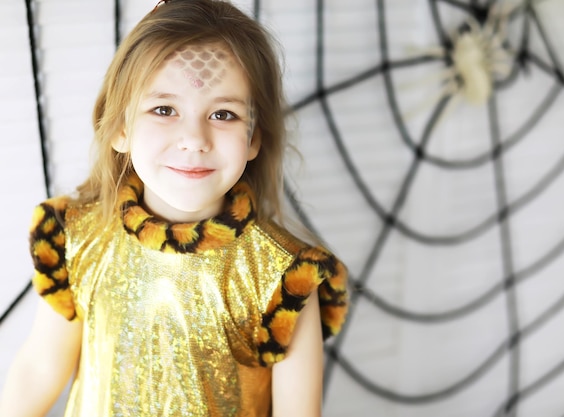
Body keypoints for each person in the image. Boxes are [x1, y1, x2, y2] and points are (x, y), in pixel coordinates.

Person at [0, 1, 348, 415]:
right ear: (120, 128)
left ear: (255, 138)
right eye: (164, 110)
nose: (193, 138)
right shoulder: (77, 240)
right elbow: (40, 368)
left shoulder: (284, 277)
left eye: (223, 114)